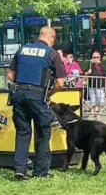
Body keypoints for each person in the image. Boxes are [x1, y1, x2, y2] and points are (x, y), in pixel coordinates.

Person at [7, 26, 66, 180]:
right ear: (52, 37)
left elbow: (10, 75)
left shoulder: (22, 50)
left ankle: (20, 169)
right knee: (43, 131)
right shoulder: (52, 54)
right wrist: (49, 94)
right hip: (37, 95)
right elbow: (60, 83)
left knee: (23, 132)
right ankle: (40, 171)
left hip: (18, 94)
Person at [85, 51, 106, 116]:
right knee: (92, 99)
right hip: (91, 86)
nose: (95, 58)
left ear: (99, 57)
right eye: (94, 57)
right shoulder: (90, 65)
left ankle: (100, 112)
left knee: (100, 99)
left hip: (100, 86)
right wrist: (88, 72)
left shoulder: (102, 66)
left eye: (97, 57)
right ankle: (92, 112)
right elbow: (85, 74)